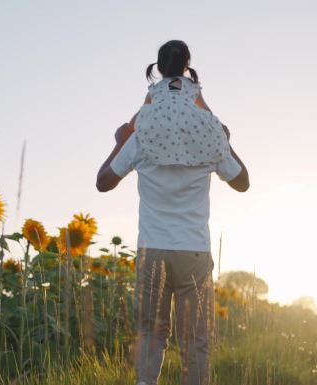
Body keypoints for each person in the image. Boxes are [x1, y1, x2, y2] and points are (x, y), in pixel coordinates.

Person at [96, 40, 249, 385]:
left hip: (153, 251)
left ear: (157, 73)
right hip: (194, 251)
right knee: (196, 342)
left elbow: (103, 182)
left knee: (151, 334)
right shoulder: (208, 132)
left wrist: (121, 139)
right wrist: (225, 139)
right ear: (189, 71)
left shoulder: (143, 132)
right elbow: (243, 182)